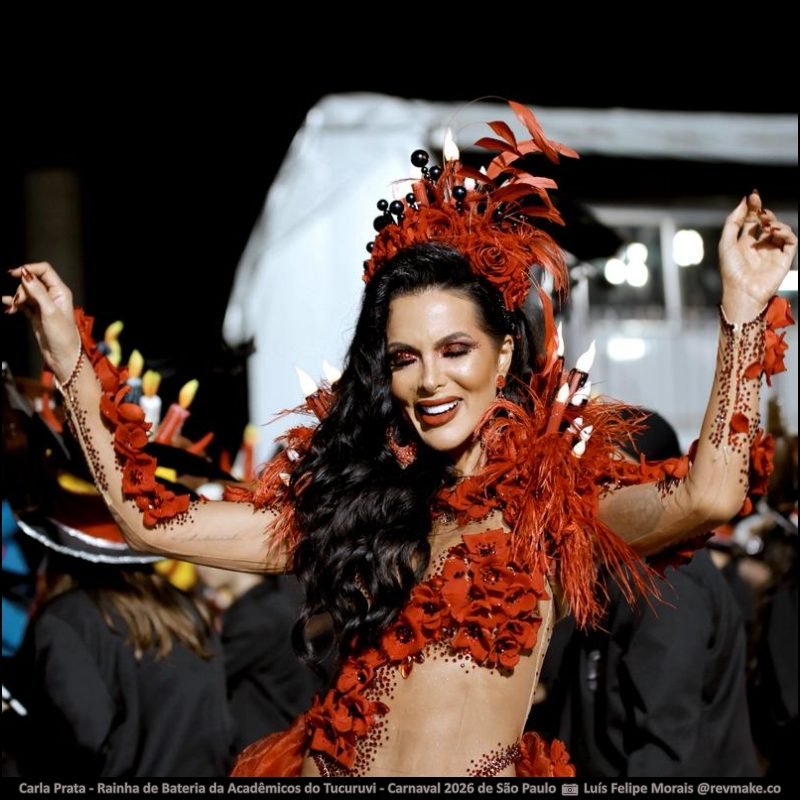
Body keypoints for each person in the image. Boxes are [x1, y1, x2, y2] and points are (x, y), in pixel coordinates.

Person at [3, 102, 795, 778]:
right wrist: (72, 363)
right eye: (405, 358)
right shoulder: (358, 509)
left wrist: (743, 310)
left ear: (504, 353)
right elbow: (148, 520)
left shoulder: (554, 512)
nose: (430, 382)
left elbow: (712, 493)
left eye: (456, 352)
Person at [534, 411, 759, 777]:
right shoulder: (613, 565)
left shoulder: (665, 579)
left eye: (612, 475)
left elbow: (662, 743)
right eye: (584, 471)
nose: (590, 488)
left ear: (657, 485)